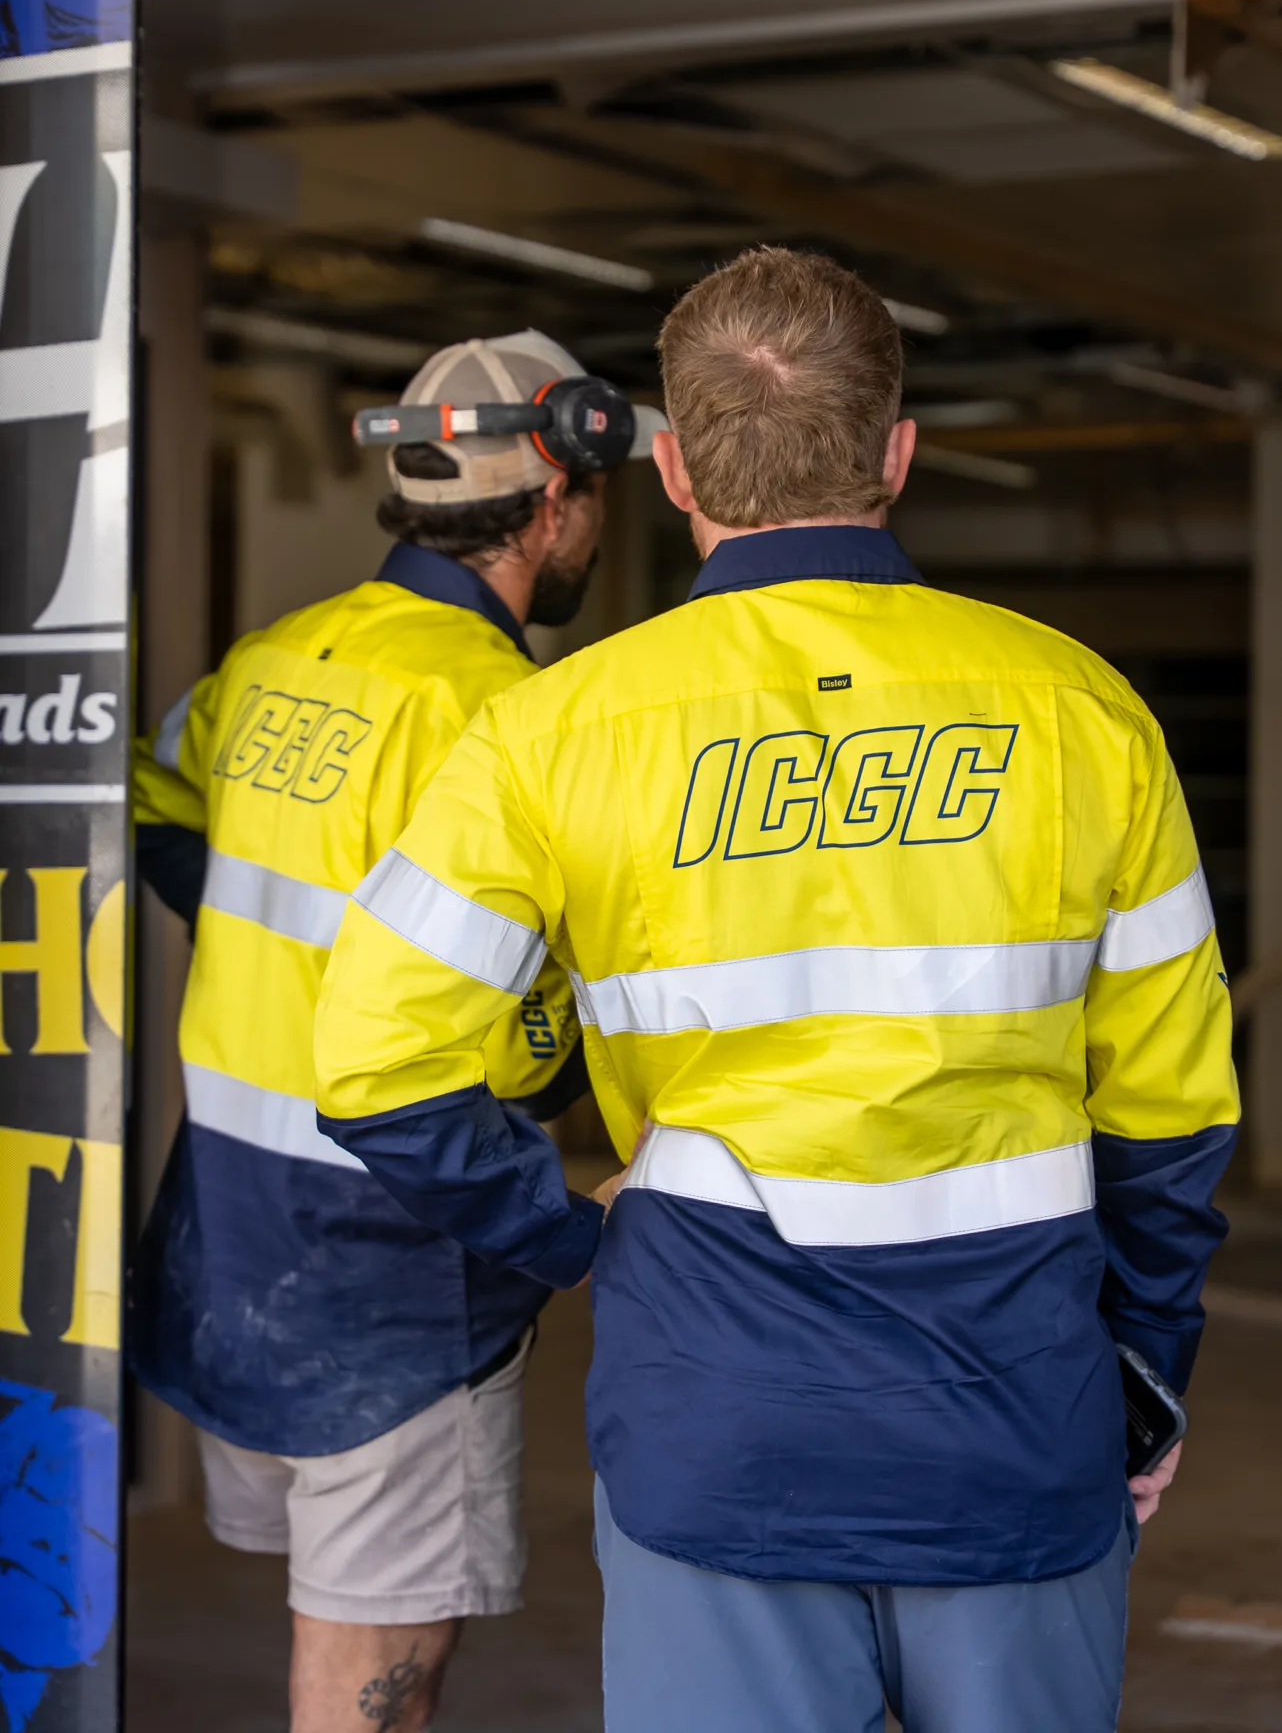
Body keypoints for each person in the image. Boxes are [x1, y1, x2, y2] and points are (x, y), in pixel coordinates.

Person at [312, 250, 1239, 1733]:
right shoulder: (1083, 710)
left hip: (714, 1413)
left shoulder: (551, 733)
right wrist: (1147, 1365)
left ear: (677, 471)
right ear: (897, 454)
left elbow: (373, 1065)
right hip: (1015, 1411)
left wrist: (566, 1234)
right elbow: (1170, 1109)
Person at [130, 330, 636, 1733]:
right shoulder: (501, 716)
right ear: (557, 498)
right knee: (367, 1689)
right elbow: (518, 1047)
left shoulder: (276, 656)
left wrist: (253, 939)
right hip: (393, 1276)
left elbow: (160, 806)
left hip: (232, 1237)